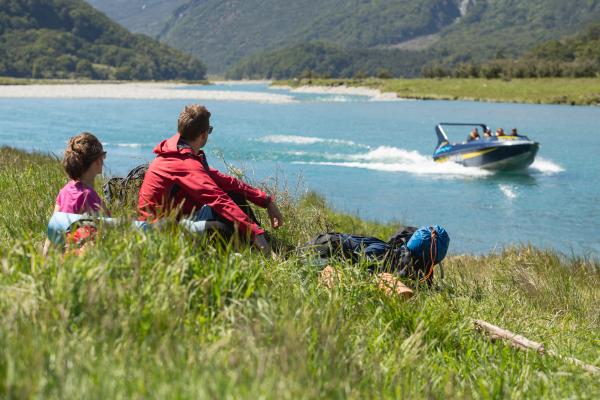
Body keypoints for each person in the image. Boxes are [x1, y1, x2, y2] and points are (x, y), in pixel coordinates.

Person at [138, 104, 283, 255]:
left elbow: (225, 181)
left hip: (165, 222)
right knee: (228, 202)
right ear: (203, 134)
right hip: (159, 232)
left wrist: (266, 200)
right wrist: (255, 232)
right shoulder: (184, 163)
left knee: (233, 193)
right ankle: (266, 249)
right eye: (210, 130)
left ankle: (267, 246)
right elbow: (218, 199)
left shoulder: (176, 152)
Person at [43, 132, 108, 255]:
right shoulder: (90, 197)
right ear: (97, 161)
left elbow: (52, 232)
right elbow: (107, 236)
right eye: (103, 156)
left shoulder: (64, 191)